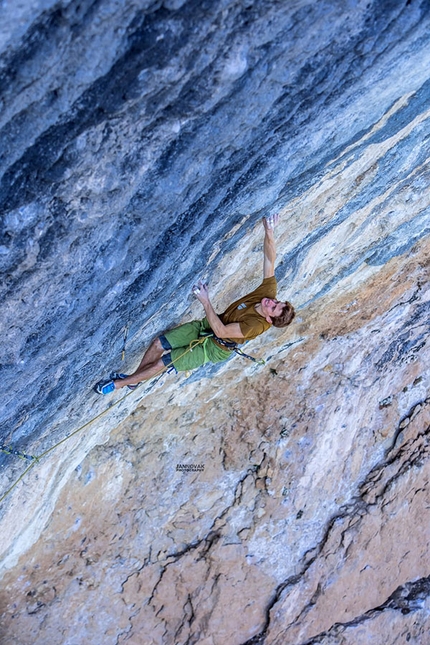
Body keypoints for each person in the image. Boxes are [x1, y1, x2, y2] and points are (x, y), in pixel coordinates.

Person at [95, 214, 295, 395]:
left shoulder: (256, 325)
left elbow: (223, 332)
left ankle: (118, 385)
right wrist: (269, 232)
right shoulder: (267, 294)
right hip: (209, 327)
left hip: (215, 347)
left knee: (164, 361)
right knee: (159, 344)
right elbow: (270, 259)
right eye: (277, 302)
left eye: (273, 307)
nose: (271, 301)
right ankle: (133, 381)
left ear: (269, 319)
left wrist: (206, 302)